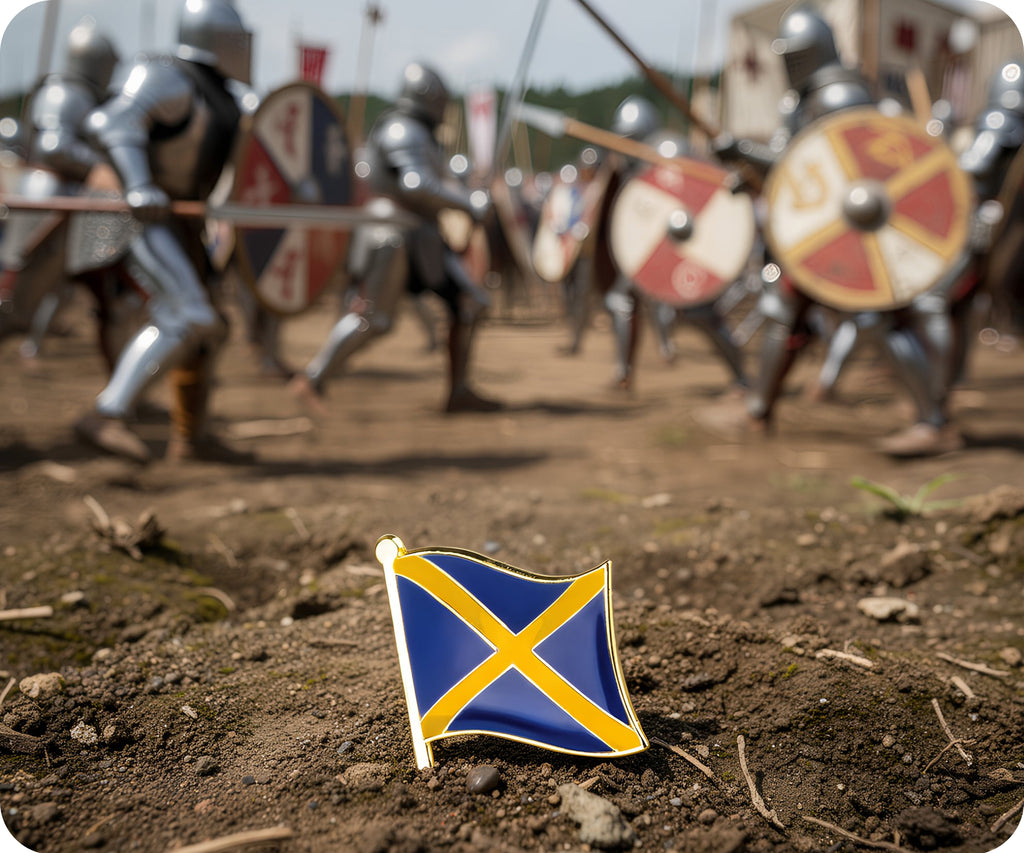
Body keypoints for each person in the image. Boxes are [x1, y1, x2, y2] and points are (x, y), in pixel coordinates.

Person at [714, 5, 958, 456]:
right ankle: (757, 410)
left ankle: (935, 422)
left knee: (876, 321)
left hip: (854, 234)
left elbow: (818, 167)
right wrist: (744, 170)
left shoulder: (840, 97)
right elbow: (793, 175)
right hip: (818, 234)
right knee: (782, 312)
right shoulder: (806, 99)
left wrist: (742, 149)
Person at [73, 0, 254, 464]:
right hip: (138, 214)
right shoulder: (167, 76)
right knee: (190, 315)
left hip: (179, 219)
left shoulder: (223, 97)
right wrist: (139, 183)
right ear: (217, 38)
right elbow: (110, 121)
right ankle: (105, 414)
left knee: (212, 324)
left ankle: (190, 438)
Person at [288, 61, 498, 414]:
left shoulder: (419, 133)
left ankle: (459, 390)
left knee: (472, 303)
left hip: (422, 236)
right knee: (374, 319)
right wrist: (468, 203)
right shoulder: (403, 130)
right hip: (393, 234)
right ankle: (312, 379)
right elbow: (415, 184)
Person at [601, 95, 747, 392]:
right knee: (621, 300)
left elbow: (698, 192)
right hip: (656, 245)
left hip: (689, 241)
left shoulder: (668, 150)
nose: (624, 144)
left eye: (629, 138)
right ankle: (623, 373)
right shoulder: (633, 163)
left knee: (701, 315)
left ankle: (743, 378)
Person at [0, 19, 120, 348]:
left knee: (104, 296)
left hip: (77, 202)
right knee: (13, 294)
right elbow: (55, 146)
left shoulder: (83, 95)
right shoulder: (63, 92)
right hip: (51, 196)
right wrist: (99, 165)